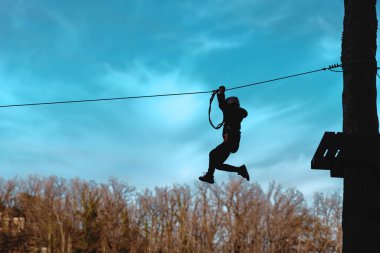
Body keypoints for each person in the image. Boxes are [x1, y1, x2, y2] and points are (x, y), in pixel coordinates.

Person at [199, 85, 250, 184]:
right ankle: (240, 170)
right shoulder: (237, 112)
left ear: (230, 104)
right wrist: (220, 93)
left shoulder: (231, 111)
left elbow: (222, 104)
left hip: (231, 140)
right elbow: (224, 106)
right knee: (217, 164)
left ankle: (209, 176)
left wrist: (221, 93)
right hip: (233, 141)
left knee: (212, 154)